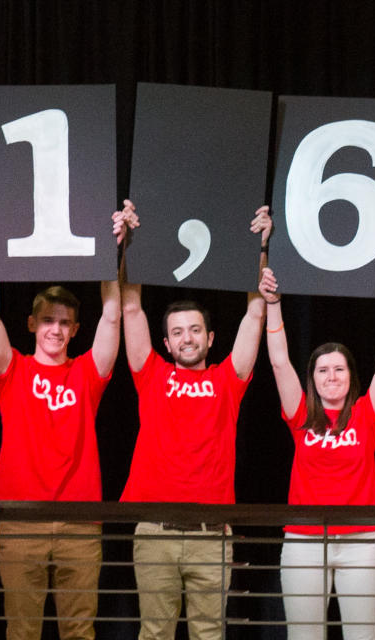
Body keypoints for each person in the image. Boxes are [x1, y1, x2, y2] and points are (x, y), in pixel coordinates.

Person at [117, 203, 271, 640]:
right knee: (155, 633)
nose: (188, 338)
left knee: (209, 634)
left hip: (211, 535)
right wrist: (130, 244)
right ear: (166, 343)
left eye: (196, 330)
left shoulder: (228, 378)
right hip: (154, 531)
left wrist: (260, 247)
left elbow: (255, 313)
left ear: (210, 337)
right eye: (179, 332)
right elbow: (131, 309)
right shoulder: (151, 374)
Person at [0, 206, 129, 640]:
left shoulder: (86, 374)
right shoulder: (13, 370)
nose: (55, 330)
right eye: (47, 320)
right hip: (20, 520)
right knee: (21, 632)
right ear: (31, 324)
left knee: (79, 632)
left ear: (76, 329)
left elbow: (113, 317)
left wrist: (111, 253)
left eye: (64, 323)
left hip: (80, 521)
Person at [262, 265, 375, 640]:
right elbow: (279, 361)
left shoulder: (367, 414)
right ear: (313, 379)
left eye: (339, 369)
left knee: (363, 636)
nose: (331, 377)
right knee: (304, 636)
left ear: (351, 375)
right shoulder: (300, 414)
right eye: (323, 370)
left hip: (361, 542)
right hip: (305, 542)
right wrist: (273, 305)